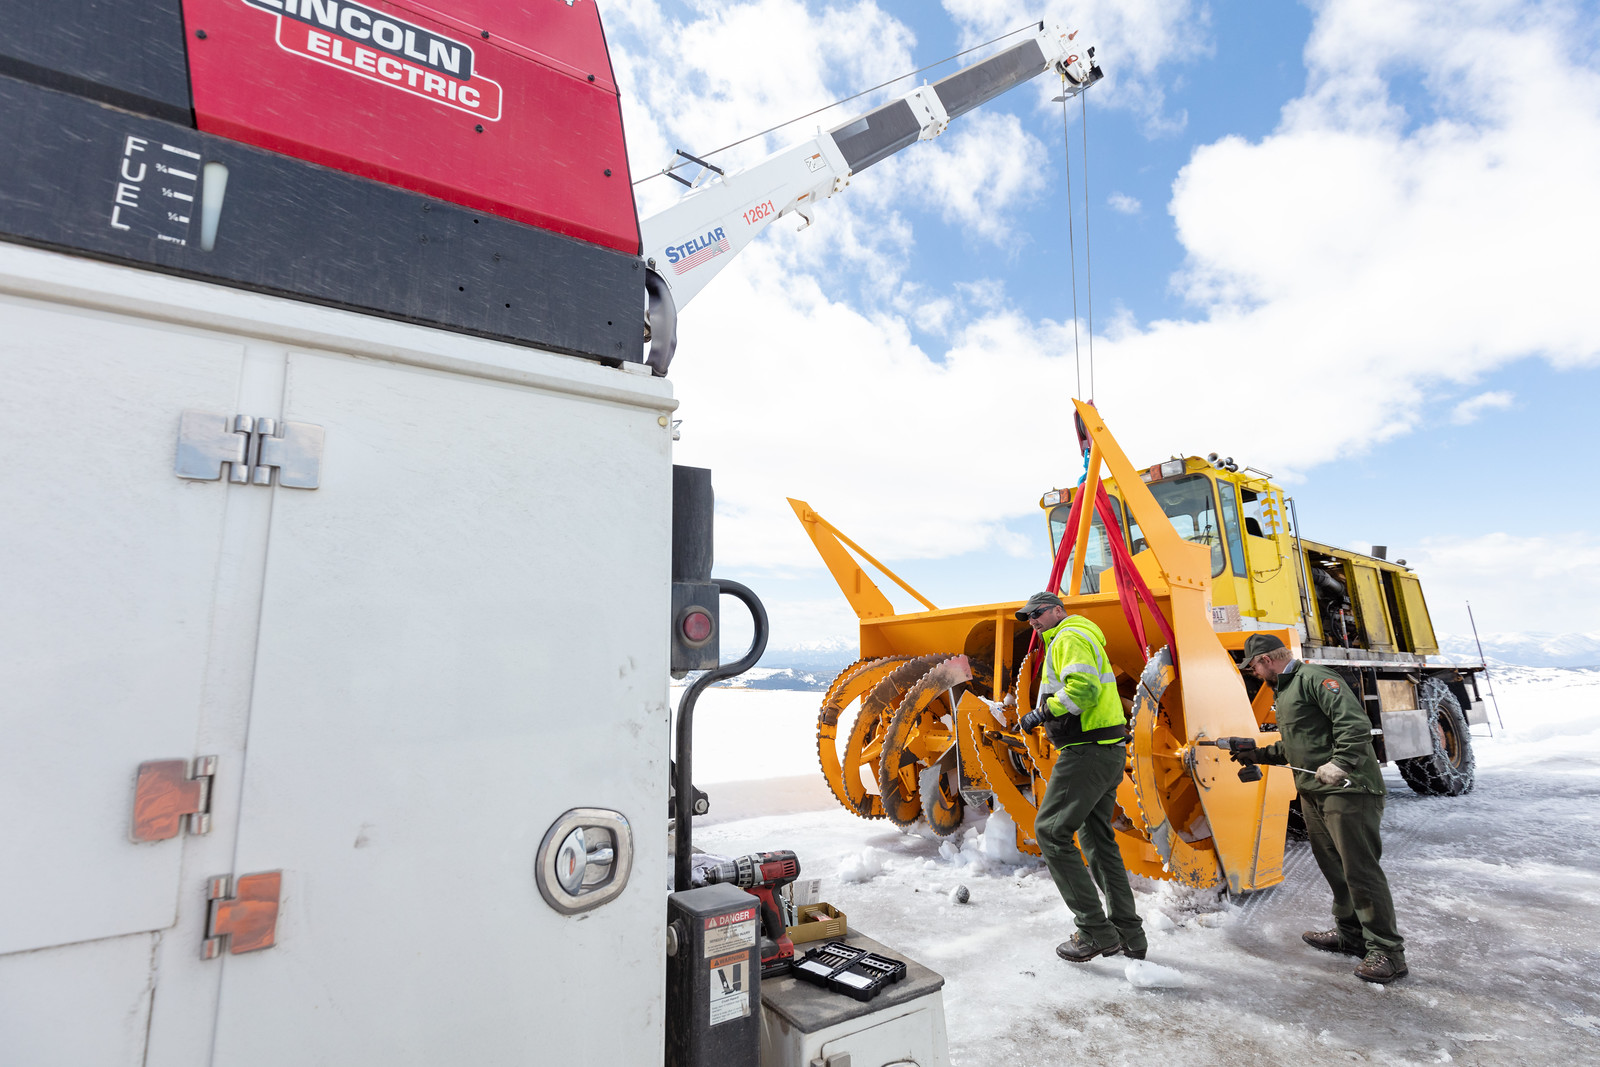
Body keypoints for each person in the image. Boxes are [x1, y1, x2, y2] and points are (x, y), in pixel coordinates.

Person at [1231, 632, 1408, 983]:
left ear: (1265, 659)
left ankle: (1388, 951)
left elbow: (1355, 725)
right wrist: (1259, 754)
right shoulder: (1286, 689)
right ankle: (1351, 935)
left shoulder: (1316, 679)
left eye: (1252, 666)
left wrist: (1341, 762)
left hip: (1347, 789)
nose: (1253, 673)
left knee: (1360, 870)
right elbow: (1301, 743)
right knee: (1335, 867)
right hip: (1314, 790)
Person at [1013, 591, 1147, 963]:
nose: (1033, 621)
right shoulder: (1079, 635)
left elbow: (1084, 691)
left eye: (1038, 613)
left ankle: (1094, 931)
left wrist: (1042, 713)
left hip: (1086, 752)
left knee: (1051, 831)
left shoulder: (1069, 636)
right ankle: (1129, 935)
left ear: (1057, 610)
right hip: (1107, 751)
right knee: (1098, 842)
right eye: (1028, 618)